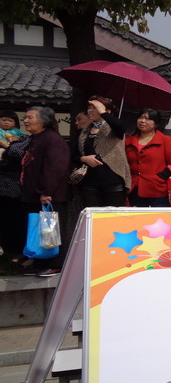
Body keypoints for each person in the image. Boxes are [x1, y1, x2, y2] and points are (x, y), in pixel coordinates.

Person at [20, 106, 70, 276]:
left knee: (52, 230)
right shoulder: (36, 138)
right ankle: (40, 262)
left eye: (30, 117)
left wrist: (46, 191)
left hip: (50, 195)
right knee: (40, 231)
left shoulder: (52, 139)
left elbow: (55, 168)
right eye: (25, 117)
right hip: (35, 194)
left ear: (44, 121)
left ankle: (56, 264)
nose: (26, 121)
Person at [73, 96, 131, 207]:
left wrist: (103, 112)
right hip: (89, 182)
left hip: (113, 181)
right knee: (92, 214)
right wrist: (84, 158)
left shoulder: (114, 129)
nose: (90, 111)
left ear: (107, 111)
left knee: (113, 215)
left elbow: (120, 126)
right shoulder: (85, 131)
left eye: (95, 108)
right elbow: (74, 156)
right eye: (89, 107)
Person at [125, 108, 171, 207]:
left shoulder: (165, 140)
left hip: (157, 190)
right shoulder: (128, 141)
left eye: (147, 119)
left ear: (156, 124)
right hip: (133, 189)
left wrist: (162, 176)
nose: (142, 121)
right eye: (140, 117)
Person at [0, 129, 29, 263]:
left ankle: (18, 251)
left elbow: (21, 156)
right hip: (3, 186)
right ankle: (8, 250)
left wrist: (5, 145)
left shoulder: (26, 139)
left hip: (15, 188)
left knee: (16, 219)